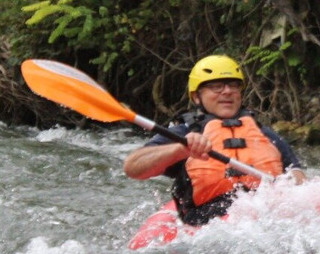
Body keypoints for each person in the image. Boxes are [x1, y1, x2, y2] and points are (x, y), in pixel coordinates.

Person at [123, 54, 307, 225]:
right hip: (209, 226)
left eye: (233, 85)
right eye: (216, 86)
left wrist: (288, 188)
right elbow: (133, 167)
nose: (227, 92)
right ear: (196, 96)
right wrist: (180, 150)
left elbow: (298, 177)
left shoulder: (265, 134)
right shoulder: (183, 133)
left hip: (265, 219)